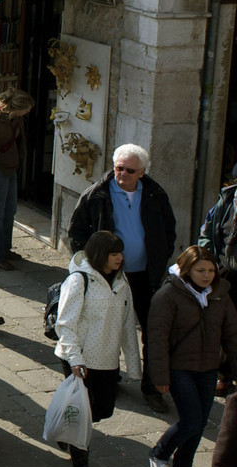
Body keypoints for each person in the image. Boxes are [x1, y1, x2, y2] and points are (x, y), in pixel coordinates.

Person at [68, 142, 177, 413]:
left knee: (152, 330)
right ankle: (109, 377)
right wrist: (93, 266)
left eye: (130, 170)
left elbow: (168, 230)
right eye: (119, 168)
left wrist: (160, 259)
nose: (123, 174)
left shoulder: (155, 194)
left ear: (142, 172)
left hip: (146, 276)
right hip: (110, 278)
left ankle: (151, 387)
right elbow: (76, 232)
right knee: (108, 328)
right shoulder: (97, 194)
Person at [53, 230, 141, 467]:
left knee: (102, 409)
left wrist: (134, 366)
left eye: (120, 253)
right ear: (101, 254)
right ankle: (80, 463)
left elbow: (128, 325)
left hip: (107, 359)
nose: (120, 258)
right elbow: (65, 324)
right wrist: (75, 360)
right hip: (80, 358)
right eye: (114, 254)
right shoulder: (79, 281)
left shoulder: (122, 283)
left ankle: (65, 426)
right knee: (84, 414)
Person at [146, 245, 237, 467]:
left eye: (211, 270)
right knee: (191, 421)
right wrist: (160, 376)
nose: (207, 276)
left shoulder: (220, 294)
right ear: (187, 270)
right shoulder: (168, 295)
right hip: (179, 368)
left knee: (200, 422)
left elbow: (232, 335)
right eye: (200, 271)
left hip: (208, 368)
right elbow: (157, 339)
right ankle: (159, 453)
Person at [0, 89, 35, 270]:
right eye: (27, 108)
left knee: (10, 210)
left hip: (11, 168)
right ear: (18, 107)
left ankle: (4, 249)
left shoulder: (16, 119)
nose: (28, 111)